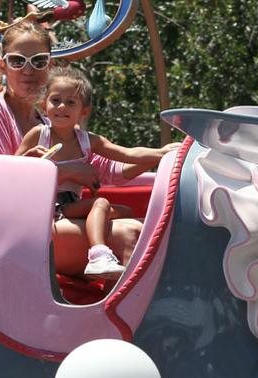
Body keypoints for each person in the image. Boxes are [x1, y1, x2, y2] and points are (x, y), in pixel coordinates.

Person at [0, 18, 167, 276]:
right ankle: (115, 316)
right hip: (11, 234)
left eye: (38, 61)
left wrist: (167, 155)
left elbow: (115, 168)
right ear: (3, 65)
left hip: (48, 223)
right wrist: (66, 173)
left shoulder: (50, 123)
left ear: (50, 65)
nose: (28, 70)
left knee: (149, 226)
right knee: (132, 234)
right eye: (17, 61)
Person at [15, 66, 178, 279]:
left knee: (125, 212)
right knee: (100, 203)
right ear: (44, 105)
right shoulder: (39, 135)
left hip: (70, 204)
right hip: (48, 207)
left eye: (70, 102)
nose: (62, 106)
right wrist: (32, 163)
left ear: (83, 111)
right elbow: (12, 167)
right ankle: (98, 253)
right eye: (55, 100)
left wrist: (161, 153)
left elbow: (127, 153)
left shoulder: (87, 141)